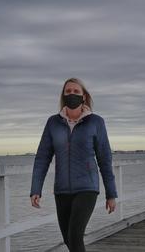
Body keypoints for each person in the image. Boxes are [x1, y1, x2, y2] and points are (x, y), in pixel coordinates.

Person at [30, 78, 117, 252]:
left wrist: (111, 193)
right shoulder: (53, 123)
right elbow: (42, 158)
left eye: (76, 92)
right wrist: (35, 189)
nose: (72, 94)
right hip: (62, 190)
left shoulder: (96, 122)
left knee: (75, 235)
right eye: (68, 91)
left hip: (87, 187)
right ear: (63, 95)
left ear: (83, 96)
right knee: (68, 239)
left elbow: (105, 159)